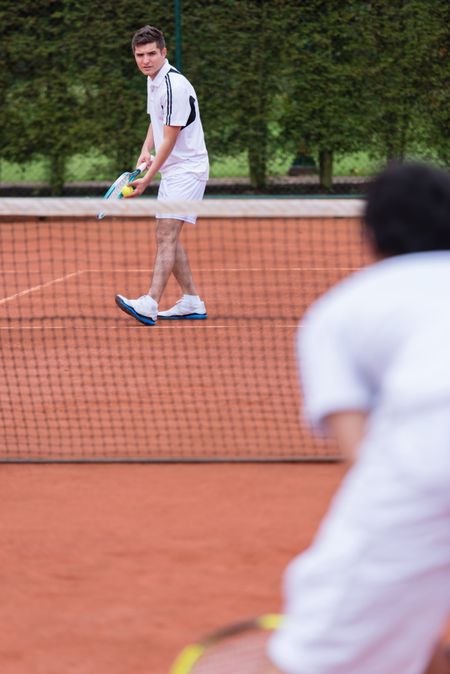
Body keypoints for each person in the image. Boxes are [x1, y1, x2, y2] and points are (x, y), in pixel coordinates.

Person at [267, 163, 450, 674]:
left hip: (427, 462)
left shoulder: (340, 311)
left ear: (370, 234)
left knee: (312, 656)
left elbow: (360, 451)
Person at [115, 25, 209, 325]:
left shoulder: (174, 85)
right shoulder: (153, 81)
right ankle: (192, 300)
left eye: (152, 54)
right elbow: (156, 121)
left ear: (164, 53)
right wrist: (145, 150)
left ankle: (150, 302)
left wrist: (147, 177)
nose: (146, 60)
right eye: (140, 55)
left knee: (166, 234)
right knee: (167, 235)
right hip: (173, 170)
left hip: (188, 169)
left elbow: (169, 139)